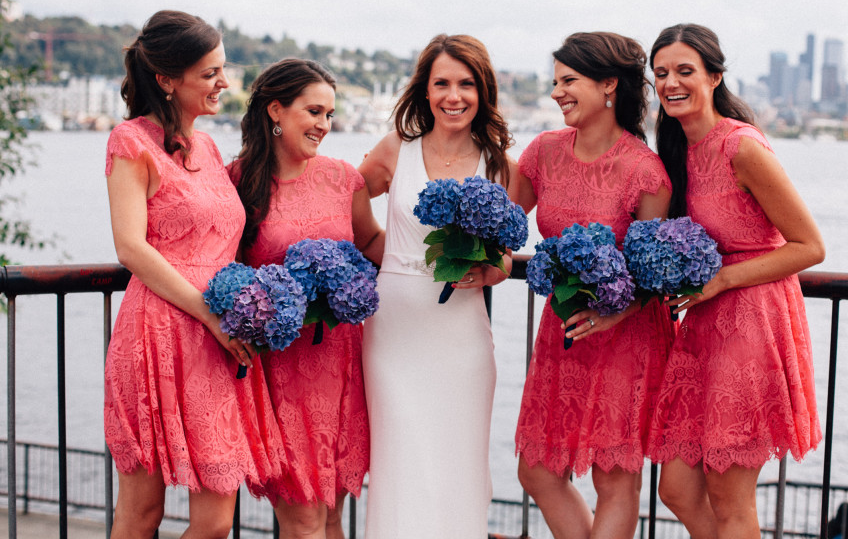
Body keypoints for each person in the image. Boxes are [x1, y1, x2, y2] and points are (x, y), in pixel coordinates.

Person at [104, 10, 284, 539]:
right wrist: (211, 314)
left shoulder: (206, 146)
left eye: (222, 70)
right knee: (141, 514)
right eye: (209, 73)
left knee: (214, 522)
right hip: (160, 332)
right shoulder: (129, 141)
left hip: (217, 342)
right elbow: (131, 247)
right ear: (166, 79)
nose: (223, 83)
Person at [647, 23, 825, 539]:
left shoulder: (742, 147)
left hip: (752, 324)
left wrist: (723, 280)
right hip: (703, 327)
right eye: (661, 74)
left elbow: (809, 246)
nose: (671, 82)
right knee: (677, 490)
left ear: (715, 76)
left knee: (731, 499)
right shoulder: (677, 147)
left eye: (685, 71)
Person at [514, 32, 675, 539]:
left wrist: (615, 312)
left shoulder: (646, 171)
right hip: (561, 334)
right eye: (555, 81)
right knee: (536, 471)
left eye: (569, 81)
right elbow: (500, 225)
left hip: (625, 337)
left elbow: (657, 275)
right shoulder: (543, 151)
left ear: (608, 85)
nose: (557, 92)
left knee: (615, 480)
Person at [357, 33, 516, 538]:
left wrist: (493, 270)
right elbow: (350, 218)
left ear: (482, 90)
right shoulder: (392, 152)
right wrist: (402, 263)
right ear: (424, 91)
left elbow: (506, 253)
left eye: (466, 84)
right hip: (395, 334)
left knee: (458, 467)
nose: (454, 95)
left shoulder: (499, 164)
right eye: (442, 82)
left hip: (461, 337)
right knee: (398, 462)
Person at [229, 59, 384, 539]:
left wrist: (435, 253)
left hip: (339, 365)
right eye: (313, 111)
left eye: (329, 115)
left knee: (331, 516)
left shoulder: (343, 178)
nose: (324, 125)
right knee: (302, 519)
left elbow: (372, 244)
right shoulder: (235, 180)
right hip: (277, 370)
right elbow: (223, 269)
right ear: (276, 110)